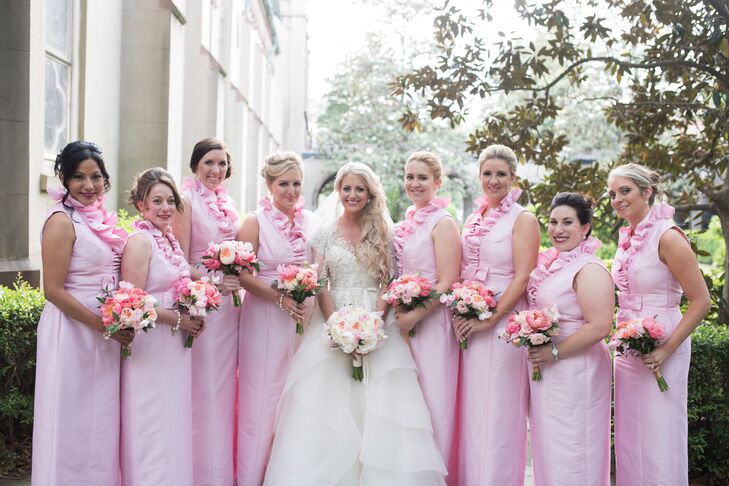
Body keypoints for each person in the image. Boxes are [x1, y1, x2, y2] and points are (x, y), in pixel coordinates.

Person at [263, 162, 446, 485]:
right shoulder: (323, 232)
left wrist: (374, 323)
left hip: (377, 318)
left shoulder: (384, 232)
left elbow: (388, 281)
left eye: (359, 189)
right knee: (328, 405)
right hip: (333, 319)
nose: (352, 194)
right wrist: (336, 326)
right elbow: (319, 283)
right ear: (338, 192)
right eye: (346, 188)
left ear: (370, 194)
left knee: (381, 404)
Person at [32, 141, 130, 485]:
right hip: (72, 331)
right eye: (78, 177)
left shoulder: (99, 221)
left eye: (96, 177)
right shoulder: (61, 221)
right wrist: (105, 324)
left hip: (103, 331)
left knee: (99, 417)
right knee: (71, 417)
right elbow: (53, 291)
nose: (89, 185)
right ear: (64, 178)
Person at [608, 164, 710, 485]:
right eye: (612, 194)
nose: (617, 199)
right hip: (628, 347)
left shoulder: (668, 236)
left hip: (666, 344)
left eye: (625, 191)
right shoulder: (628, 237)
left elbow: (701, 301)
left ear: (647, 191)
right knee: (630, 434)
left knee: (659, 433)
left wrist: (666, 349)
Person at [453, 144, 539, 486]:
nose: (493, 180)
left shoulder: (524, 219)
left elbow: (523, 276)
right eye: (487, 173)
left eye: (501, 174)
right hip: (471, 320)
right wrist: (464, 306)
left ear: (513, 178)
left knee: (500, 410)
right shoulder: (473, 219)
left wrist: (490, 317)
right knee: (474, 410)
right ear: (479, 176)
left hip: (504, 322)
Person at [119, 168, 203, 486]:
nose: (166, 207)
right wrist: (178, 319)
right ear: (141, 205)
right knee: (151, 418)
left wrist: (202, 297)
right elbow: (133, 301)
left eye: (170, 200)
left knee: (172, 418)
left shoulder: (168, 239)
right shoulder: (140, 242)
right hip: (149, 345)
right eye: (157, 201)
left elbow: (182, 280)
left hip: (174, 345)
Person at [236, 152, 314, 486]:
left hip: (302, 319)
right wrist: (280, 298)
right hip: (265, 318)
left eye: (296, 183)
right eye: (283, 183)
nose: (291, 190)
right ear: (269, 184)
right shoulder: (254, 222)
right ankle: (252, 476)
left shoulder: (310, 221)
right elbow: (242, 274)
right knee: (263, 398)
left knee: (294, 397)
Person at [526, 192, 613, 486]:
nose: (557, 229)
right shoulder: (553, 264)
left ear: (585, 228)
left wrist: (554, 352)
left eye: (567, 222)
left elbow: (600, 326)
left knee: (575, 445)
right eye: (552, 222)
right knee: (551, 445)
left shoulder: (589, 268)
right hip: (551, 369)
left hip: (578, 369)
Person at [173, 138, 241, 485]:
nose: (216, 170)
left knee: (227, 388)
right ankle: (202, 472)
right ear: (195, 165)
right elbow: (180, 261)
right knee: (206, 387)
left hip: (232, 308)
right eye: (209, 163)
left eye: (222, 164)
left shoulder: (228, 202)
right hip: (205, 303)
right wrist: (215, 280)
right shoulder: (185, 202)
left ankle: (223, 469)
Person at [392, 151, 461, 481]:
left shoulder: (443, 223)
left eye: (422, 178)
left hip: (432, 324)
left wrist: (416, 315)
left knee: (435, 401)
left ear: (437, 182)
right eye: (409, 177)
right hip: (403, 322)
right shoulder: (406, 221)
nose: (414, 184)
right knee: (406, 400)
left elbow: (447, 280)